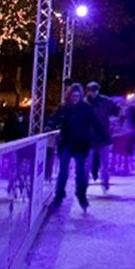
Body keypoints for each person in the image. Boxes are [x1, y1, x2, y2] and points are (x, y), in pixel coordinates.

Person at [50, 83, 105, 211]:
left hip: (81, 145)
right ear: (69, 96)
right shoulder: (63, 108)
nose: (75, 98)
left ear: (80, 96)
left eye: (77, 96)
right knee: (63, 171)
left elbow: (96, 123)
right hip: (67, 143)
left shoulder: (86, 108)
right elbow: (54, 119)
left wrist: (102, 135)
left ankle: (81, 194)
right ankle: (59, 195)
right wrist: (49, 126)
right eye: (73, 96)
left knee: (80, 172)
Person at [84, 82, 120, 193]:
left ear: (97, 91)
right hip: (89, 137)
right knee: (87, 164)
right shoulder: (84, 103)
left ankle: (105, 182)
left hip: (103, 136)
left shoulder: (105, 101)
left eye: (94, 90)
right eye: (91, 90)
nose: (93, 93)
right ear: (88, 91)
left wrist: (114, 121)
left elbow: (117, 110)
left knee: (105, 163)